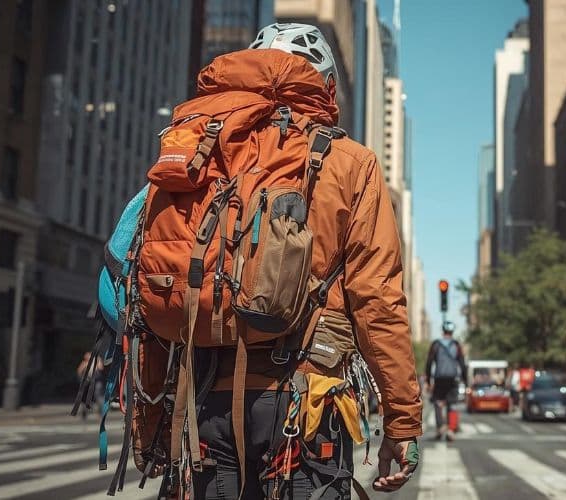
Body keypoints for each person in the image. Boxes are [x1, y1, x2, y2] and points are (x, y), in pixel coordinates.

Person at [187, 24, 423, 498]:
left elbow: (153, 274)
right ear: (328, 88)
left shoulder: (198, 148)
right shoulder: (351, 163)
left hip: (206, 401)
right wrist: (401, 422)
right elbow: (376, 300)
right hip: (305, 403)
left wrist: (150, 419)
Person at [425, 322, 466, 441]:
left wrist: (428, 380)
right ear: (452, 332)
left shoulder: (436, 344)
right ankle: (451, 431)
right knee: (452, 404)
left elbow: (429, 363)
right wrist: (465, 380)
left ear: (442, 331)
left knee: (438, 403)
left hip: (439, 379)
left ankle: (440, 427)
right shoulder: (456, 345)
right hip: (453, 379)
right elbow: (462, 363)